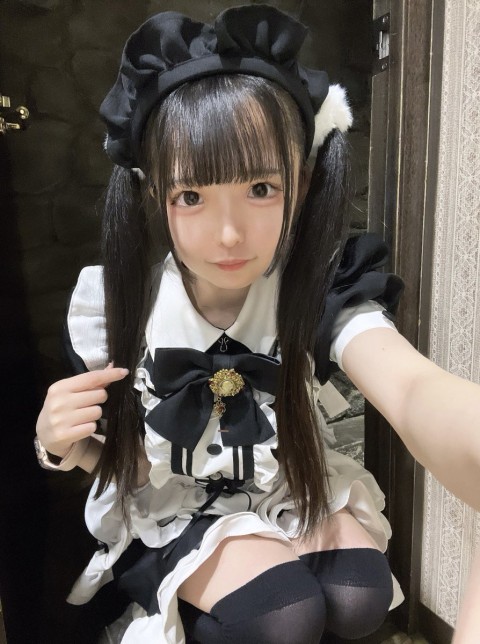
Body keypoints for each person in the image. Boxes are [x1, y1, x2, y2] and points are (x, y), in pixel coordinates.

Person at [34, 5, 480, 643]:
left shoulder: (317, 286)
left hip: (287, 487)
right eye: (192, 196)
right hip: (174, 507)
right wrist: (59, 444)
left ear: (301, 182)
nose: (229, 234)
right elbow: (121, 466)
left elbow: (409, 387)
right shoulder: (113, 308)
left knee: (361, 595)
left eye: (261, 189)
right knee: (283, 615)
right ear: (154, 192)